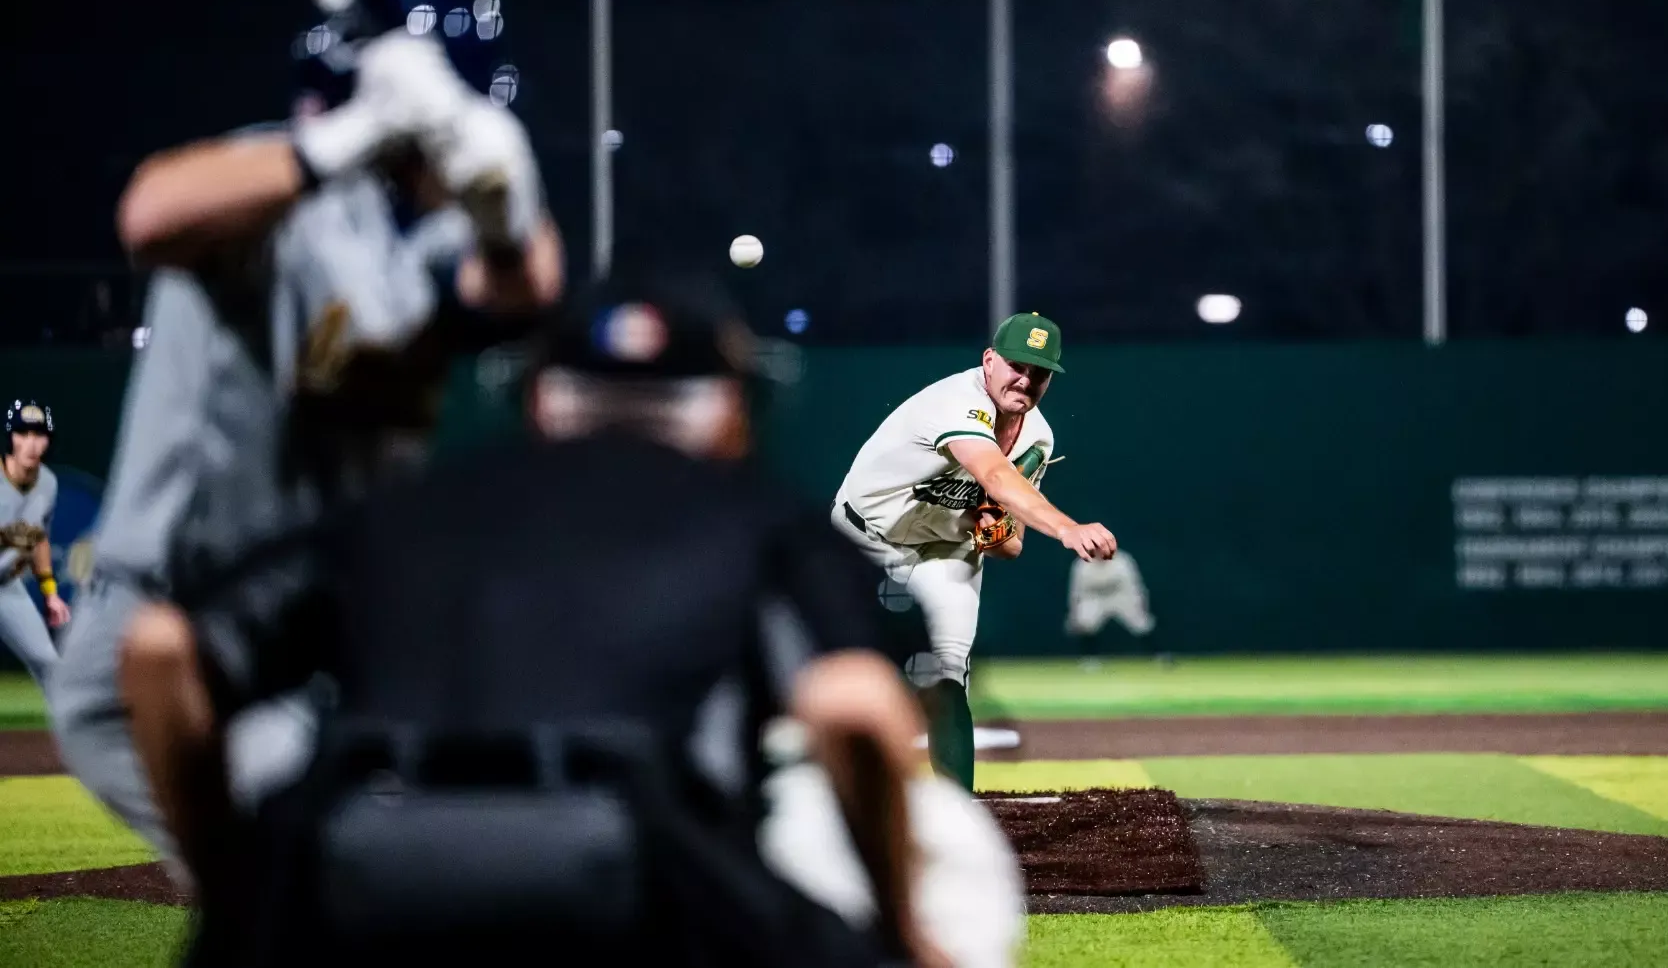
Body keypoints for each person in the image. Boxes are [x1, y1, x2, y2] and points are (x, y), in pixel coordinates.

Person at [116, 272, 1019, 967]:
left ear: (541, 398)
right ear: (729, 411)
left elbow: (160, 651)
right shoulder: (756, 515)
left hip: (355, 884)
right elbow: (852, 708)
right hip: (629, 881)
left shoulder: (405, 507)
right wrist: (902, 932)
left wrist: (234, 890)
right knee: (947, 850)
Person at [49, 29, 564, 887]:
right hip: (174, 629)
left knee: (340, 890)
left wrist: (507, 215)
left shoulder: (421, 236)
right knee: (330, 886)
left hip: (304, 634)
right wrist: (351, 136)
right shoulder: (273, 186)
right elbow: (150, 214)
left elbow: (525, 293)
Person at [831, 311, 1116, 791]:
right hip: (865, 539)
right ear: (989, 361)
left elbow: (1010, 546)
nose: (1025, 380)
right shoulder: (957, 400)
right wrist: (1067, 528)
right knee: (847, 674)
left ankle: (957, 807)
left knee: (947, 675)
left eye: (1039, 373)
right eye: (1016, 366)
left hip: (944, 549)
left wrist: (993, 533)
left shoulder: (1038, 437)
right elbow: (995, 475)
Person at [1, 400, 70, 690]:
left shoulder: (48, 483)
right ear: (11, 439)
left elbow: (39, 538)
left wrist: (50, 593)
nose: (31, 443)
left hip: (6, 587)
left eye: (39, 434)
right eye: (23, 433)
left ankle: (72, 722)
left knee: (49, 664)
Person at [1066, 550, 1167, 669]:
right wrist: (1074, 613)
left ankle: (1160, 655)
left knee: (1142, 624)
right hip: (1095, 598)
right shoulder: (1081, 564)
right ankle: (1090, 658)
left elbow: (1135, 586)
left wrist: (1141, 605)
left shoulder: (1122, 560)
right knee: (1086, 622)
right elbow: (1076, 592)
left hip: (1120, 596)